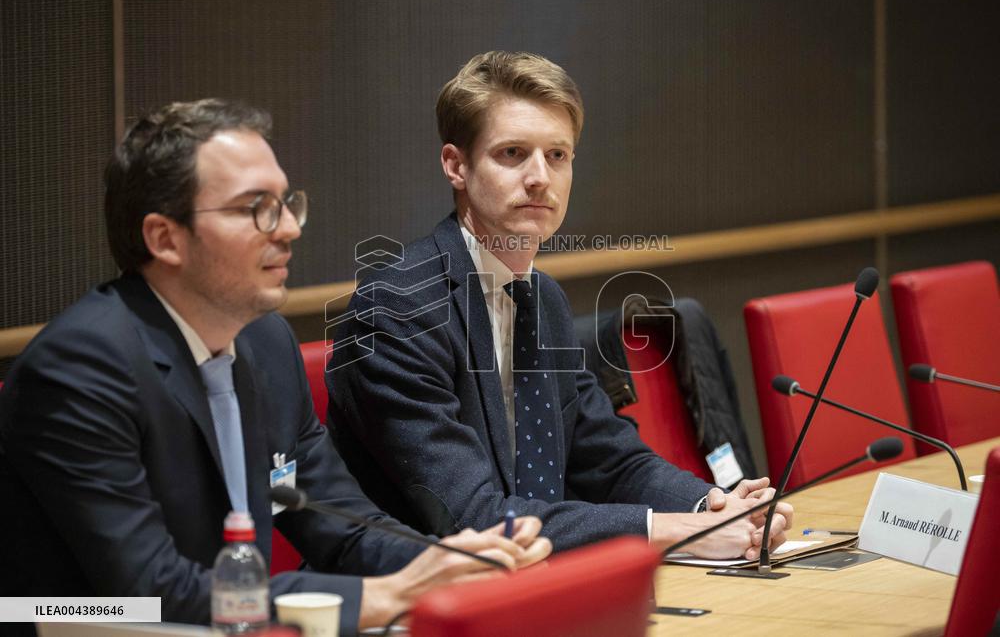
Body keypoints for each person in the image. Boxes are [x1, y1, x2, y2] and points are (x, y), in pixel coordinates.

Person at [0, 98, 550, 635]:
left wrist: (444, 560)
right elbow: (146, 593)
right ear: (165, 238)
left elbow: (340, 524)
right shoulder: (79, 369)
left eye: (287, 203)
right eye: (255, 207)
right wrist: (378, 597)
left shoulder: (264, 342)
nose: (289, 227)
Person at [328, 51, 792, 556]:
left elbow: (608, 458)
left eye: (557, 155)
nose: (539, 178)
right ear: (455, 166)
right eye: (512, 154)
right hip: (420, 605)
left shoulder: (540, 297)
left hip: (538, 585)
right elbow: (476, 520)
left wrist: (713, 505)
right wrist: (679, 532)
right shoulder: (397, 311)